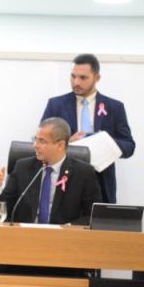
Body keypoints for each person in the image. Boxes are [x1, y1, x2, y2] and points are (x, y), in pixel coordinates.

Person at [40, 53, 135, 203]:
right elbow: (41, 143)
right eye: (73, 76)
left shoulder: (114, 107)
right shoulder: (56, 105)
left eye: (83, 78)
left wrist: (104, 141)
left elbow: (129, 146)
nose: (76, 82)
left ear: (97, 78)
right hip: (64, 180)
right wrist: (67, 142)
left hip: (101, 182)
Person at [0, 117, 101, 225]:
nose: (35, 145)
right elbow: (5, 210)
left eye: (42, 141)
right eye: (35, 139)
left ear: (60, 145)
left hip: (63, 235)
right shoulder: (22, 167)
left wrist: (68, 228)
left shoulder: (83, 173)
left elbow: (92, 215)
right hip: (26, 234)